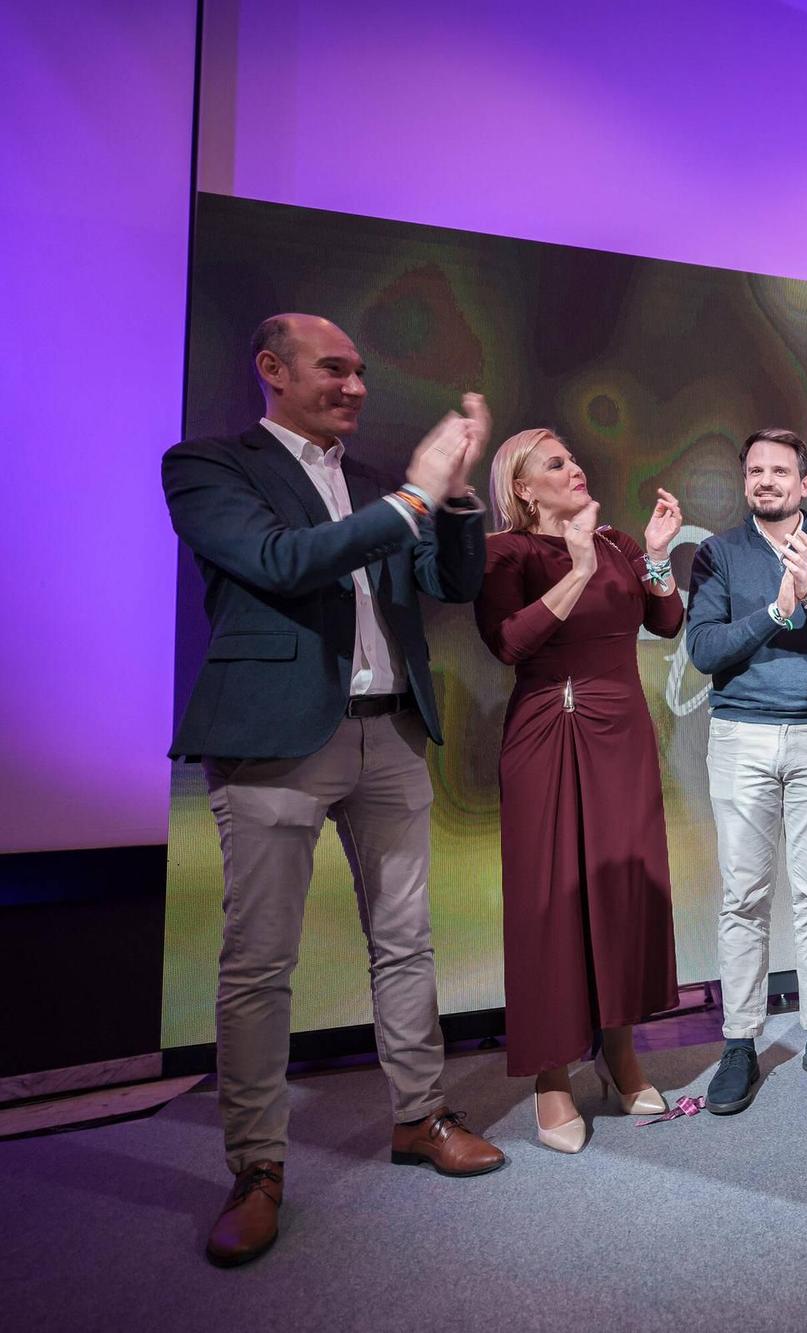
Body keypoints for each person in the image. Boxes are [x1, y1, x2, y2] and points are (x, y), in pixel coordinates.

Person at [162, 313, 504, 1268]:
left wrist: (461, 499)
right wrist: (412, 497)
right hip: (273, 741)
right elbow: (278, 563)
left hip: (390, 731)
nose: (355, 385)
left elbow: (449, 579)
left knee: (407, 939)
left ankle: (419, 1117)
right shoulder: (206, 465)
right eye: (333, 368)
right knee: (258, 963)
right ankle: (258, 1167)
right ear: (271, 369)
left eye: (360, 370)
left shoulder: (372, 486)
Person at [475, 430, 687, 1152]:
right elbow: (509, 641)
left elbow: (666, 620)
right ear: (525, 488)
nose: (576, 467)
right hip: (548, 732)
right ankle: (551, 1073)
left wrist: (656, 556)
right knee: (552, 901)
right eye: (555, 463)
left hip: (620, 731)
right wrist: (577, 564)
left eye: (574, 456)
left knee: (623, 891)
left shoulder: (621, 542)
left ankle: (621, 1051)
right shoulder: (507, 551)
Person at [686, 428, 807, 1115]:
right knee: (743, 897)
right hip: (741, 737)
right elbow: (706, 649)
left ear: (804, 483)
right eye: (755, 470)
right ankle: (741, 1040)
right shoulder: (717, 553)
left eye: (780, 470)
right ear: (746, 482)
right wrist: (776, 611)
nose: (765, 480)